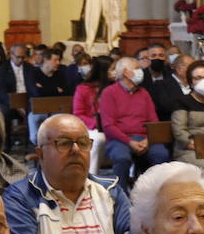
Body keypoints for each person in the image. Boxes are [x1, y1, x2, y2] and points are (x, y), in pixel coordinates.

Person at [2, 114, 131, 234]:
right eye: (64, 143)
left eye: (83, 143)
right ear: (40, 154)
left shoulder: (111, 191)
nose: (76, 150)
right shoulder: (19, 198)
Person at [100, 56, 170, 187]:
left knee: (162, 154)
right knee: (122, 157)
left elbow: (154, 121)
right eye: (137, 68)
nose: (140, 72)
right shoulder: (109, 93)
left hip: (144, 138)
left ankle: (153, 190)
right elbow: (108, 126)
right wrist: (130, 142)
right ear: (125, 72)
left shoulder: (144, 93)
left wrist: (148, 140)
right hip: (119, 139)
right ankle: (119, 193)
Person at [171, 60, 204, 167]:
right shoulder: (182, 102)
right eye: (198, 78)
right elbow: (179, 131)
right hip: (190, 150)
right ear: (191, 82)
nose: (203, 81)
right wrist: (194, 145)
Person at [0, 43, 40, 147]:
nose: (20, 60)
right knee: (3, 113)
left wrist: (31, 102)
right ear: (11, 55)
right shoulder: (3, 69)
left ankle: (32, 143)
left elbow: (33, 88)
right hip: (9, 102)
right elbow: (1, 92)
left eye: (23, 57)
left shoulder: (29, 68)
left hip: (27, 100)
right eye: (18, 57)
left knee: (37, 110)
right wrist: (15, 104)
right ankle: (6, 144)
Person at [72, 56, 111, 171]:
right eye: (112, 69)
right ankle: (92, 174)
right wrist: (97, 123)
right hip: (91, 127)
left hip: (112, 125)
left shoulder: (116, 87)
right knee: (99, 139)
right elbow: (78, 114)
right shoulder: (83, 89)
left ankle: (130, 175)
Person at [141, 43, 181, 121]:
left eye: (161, 55)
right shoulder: (141, 76)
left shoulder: (172, 75)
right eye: (153, 56)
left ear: (166, 58)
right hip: (146, 117)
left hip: (168, 118)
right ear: (148, 58)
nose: (157, 58)